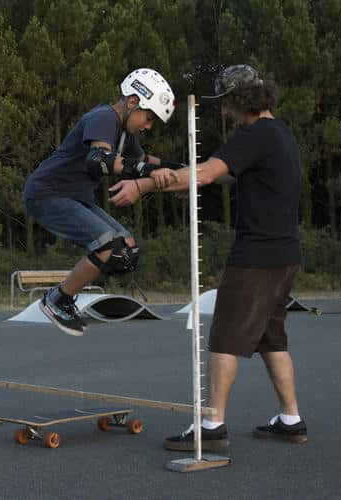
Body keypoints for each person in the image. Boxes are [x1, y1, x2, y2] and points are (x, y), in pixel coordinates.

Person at [110, 64, 307, 449]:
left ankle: (212, 427)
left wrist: (142, 185)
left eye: (226, 104)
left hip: (257, 256)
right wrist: (175, 178)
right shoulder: (280, 134)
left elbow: (205, 173)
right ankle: (291, 418)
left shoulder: (255, 135)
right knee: (272, 338)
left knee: (224, 337)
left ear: (243, 99)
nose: (223, 113)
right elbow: (217, 175)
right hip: (285, 254)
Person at [23, 68, 180, 336]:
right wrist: (151, 174)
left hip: (76, 197)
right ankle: (57, 299)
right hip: (48, 193)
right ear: (132, 102)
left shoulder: (125, 135)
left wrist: (186, 171)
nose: (148, 126)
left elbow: (146, 161)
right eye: (149, 117)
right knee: (108, 246)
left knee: (125, 251)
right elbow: (99, 160)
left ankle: (67, 294)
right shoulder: (103, 117)